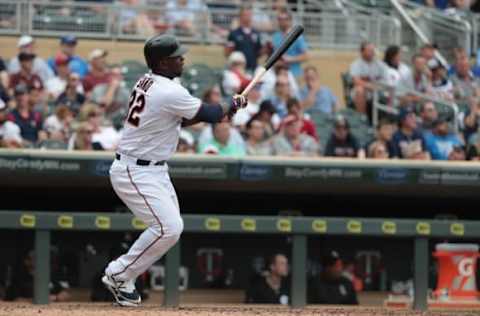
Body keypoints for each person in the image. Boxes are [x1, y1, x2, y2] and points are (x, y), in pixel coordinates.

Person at [102, 34, 247, 307]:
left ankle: (123, 278)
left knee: (171, 228)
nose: (182, 59)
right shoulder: (168, 90)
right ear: (162, 62)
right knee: (168, 227)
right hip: (135, 170)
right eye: (176, 56)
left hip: (153, 169)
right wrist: (232, 104)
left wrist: (227, 109)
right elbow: (211, 113)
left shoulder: (149, 81)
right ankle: (119, 274)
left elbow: (181, 119)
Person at [4, 250, 70, 302]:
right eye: (35, 257)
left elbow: (66, 294)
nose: (40, 259)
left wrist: (58, 297)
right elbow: (15, 300)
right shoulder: (19, 279)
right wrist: (39, 300)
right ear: (27, 261)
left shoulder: (50, 277)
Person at [349, 42, 386, 114]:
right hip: (363, 90)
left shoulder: (379, 64)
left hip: (378, 89)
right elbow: (356, 81)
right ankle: (362, 118)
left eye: (373, 50)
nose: (372, 52)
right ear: (362, 52)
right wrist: (369, 85)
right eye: (370, 50)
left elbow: (387, 76)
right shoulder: (356, 64)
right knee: (360, 90)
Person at [271, 10, 309, 78]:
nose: (282, 22)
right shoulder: (275, 36)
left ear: (290, 20)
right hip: (278, 74)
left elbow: (306, 56)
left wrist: (290, 59)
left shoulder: (297, 36)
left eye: (285, 19)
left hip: (294, 74)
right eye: (280, 19)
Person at [225, 6, 263, 73]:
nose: (247, 17)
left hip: (253, 68)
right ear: (240, 17)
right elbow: (228, 52)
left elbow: (259, 52)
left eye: (249, 15)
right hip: (238, 70)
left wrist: (266, 49)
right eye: (245, 15)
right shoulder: (234, 33)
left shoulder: (256, 33)